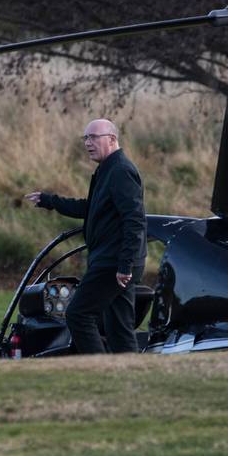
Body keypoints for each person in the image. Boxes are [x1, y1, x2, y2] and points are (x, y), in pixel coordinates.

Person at [24, 118, 146, 353]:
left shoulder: (120, 170)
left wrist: (125, 264)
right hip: (115, 262)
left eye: (94, 137)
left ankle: (97, 367)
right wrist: (49, 201)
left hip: (113, 263)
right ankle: (128, 371)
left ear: (112, 139)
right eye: (86, 138)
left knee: (78, 314)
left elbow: (135, 220)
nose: (88, 143)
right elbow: (89, 208)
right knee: (119, 328)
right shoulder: (107, 170)